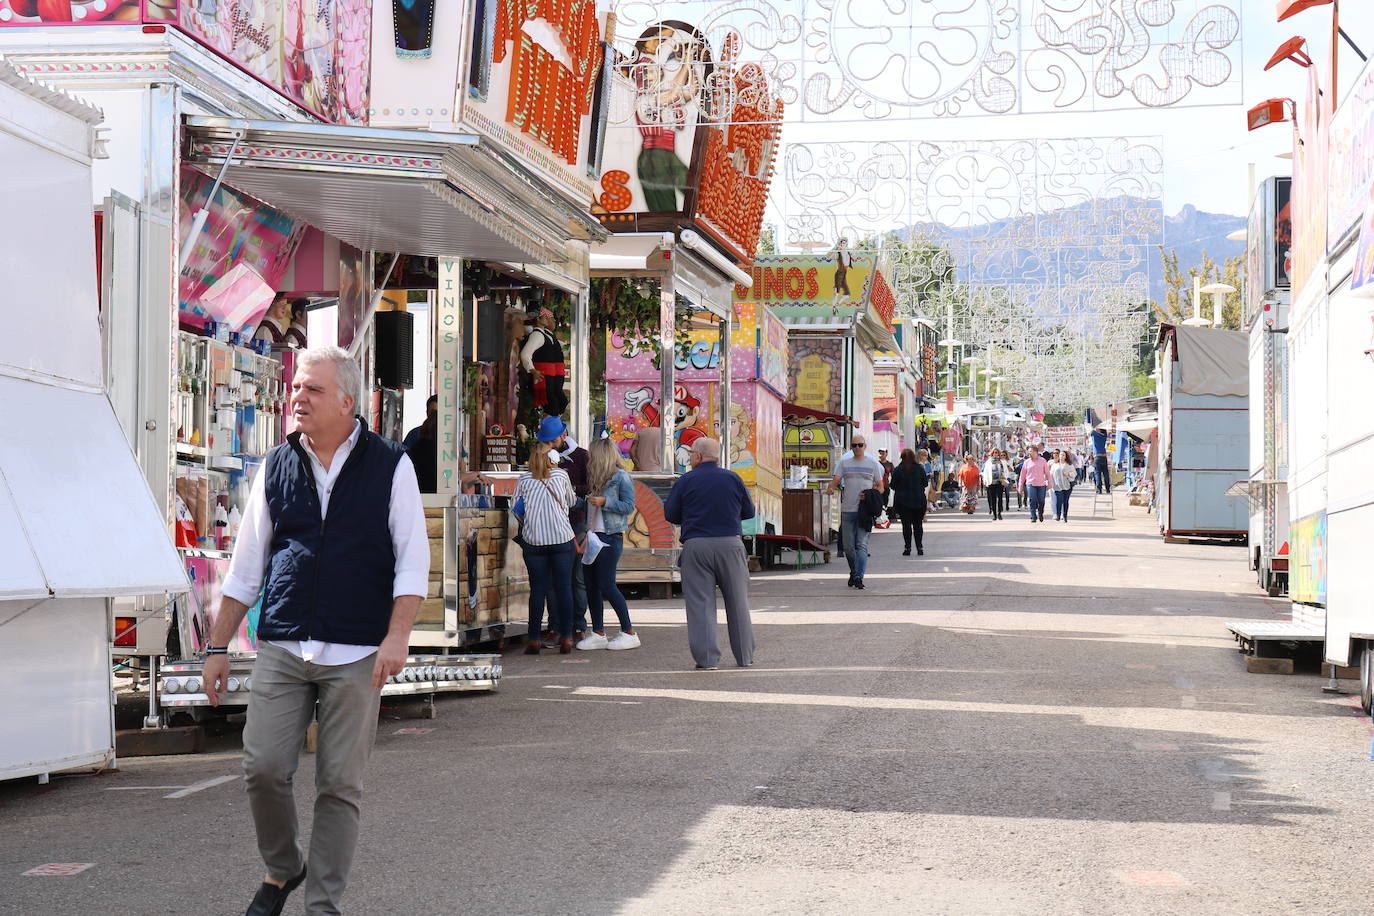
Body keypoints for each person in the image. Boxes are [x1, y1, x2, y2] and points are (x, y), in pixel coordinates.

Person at [203, 346, 428, 916]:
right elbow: (246, 567)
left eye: (313, 389)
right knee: (262, 767)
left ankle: (322, 906)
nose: (298, 398)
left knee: (339, 785)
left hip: (358, 649)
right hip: (284, 642)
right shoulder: (277, 464)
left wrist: (397, 635)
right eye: (297, 388)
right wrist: (216, 647)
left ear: (348, 401)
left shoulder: (391, 464)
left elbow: (412, 562)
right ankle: (283, 867)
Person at [664, 438, 755, 669]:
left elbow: (671, 515)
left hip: (697, 546)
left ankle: (707, 660)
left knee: (701, 604)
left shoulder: (686, 481)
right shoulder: (733, 478)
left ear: (697, 456)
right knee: (738, 602)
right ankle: (744, 657)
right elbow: (749, 511)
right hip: (731, 545)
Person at [515, 437, 580, 654]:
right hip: (561, 538)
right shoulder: (561, 475)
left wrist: (530, 523)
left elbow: (516, 509)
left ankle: (534, 638)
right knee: (564, 588)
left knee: (537, 590)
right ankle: (567, 637)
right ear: (551, 458)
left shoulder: (524, 480)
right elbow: (571, 501)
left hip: (534, 541)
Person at [577, 438, 641, 651]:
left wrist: (605, 502)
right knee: (591, 586)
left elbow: (628, 506)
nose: (589, 458)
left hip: (610, 537)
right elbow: (589, 507)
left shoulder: (621, 476)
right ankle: (598, 633)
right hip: (593, 537)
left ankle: (629, 632)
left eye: (592, 455)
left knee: (607, 585)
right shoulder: (596, 478)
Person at [535, 416, 590, 640]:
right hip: (550, 524)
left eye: (553, 441)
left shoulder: (581, 456)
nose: (550, 445)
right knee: (551, 581)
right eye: (546, 441)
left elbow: (591, 486)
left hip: (576, 522)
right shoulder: (540, 456)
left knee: (576, 578)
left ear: (564, 435)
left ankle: (578, 626)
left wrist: (568, 487)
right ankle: (555, 626)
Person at [826, 435, 886, 589]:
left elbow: (880, 487)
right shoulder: (844, 463)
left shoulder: (873, 463)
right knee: (848, 547)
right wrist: (831, 488)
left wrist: (870, 494)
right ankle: (854, 571)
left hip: (864, 511)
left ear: (865, 446)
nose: (857, 448)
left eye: (860, 445)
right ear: (851, 447)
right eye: (854, 445)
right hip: (847, 510)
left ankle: (859, 577)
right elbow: (836, 480)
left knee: (861, 545)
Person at [519, 307, 568, 417]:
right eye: (545, 317)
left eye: (547, 317)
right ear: (538, 319)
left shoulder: (545, 335)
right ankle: (548, 424)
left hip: (550, 378)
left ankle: (549, 423)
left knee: (558, 404)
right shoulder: (537, 335)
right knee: (552, 406)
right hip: (543, 378)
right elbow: (525, 354)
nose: (549, 319)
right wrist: (532, 370)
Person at [888, 448, 928, 556]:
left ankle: (908, 548)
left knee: (906, 525)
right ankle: (919, 547)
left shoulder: (898, 470)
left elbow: (892, 486)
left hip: (903, 502)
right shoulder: (920, 469)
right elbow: (925, 483)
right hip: (919, 501)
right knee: (918, 525)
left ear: (902, 458)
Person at [401, 394, 438, 493]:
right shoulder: (415, 434)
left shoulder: (450, 437)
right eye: (433, 412)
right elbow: (404, 462)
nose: (435, 417)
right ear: (427, 412)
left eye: (438, 413)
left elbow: (461, 463)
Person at [1018, 444, 1051, 523]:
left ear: (1036, 452)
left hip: (1041, 484)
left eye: (1031, 451)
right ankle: (1033, 516)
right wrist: (1020, 486)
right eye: (1028, 451)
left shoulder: (1043, 460)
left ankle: (1040, 512)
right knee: (1032, 499)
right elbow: (1022, 475)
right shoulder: (1026, 462)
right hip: (1030, 483)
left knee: (1041, 501)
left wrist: (1049, 482)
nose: (1029, 453)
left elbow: (1047, 473)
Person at [982, 448, 1010, 521]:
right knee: (993, 499)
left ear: (998, 453)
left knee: (1000, 498)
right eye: (994, 452)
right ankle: (994, 514)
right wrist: (985, 481)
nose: (995, 454)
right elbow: (985, 472)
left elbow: (1006, 471)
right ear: (992, 454)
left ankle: (999, 513)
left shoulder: (1002, 462)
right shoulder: (988, 462)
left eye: (996, 452)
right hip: (991, 482)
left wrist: (1004, 479)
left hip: (1000, 482)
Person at [1051, 449, 1077, 522]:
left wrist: (1068, 474)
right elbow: (1051, 475)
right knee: (1059, 500)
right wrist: (1050, 483)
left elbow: (1075, 473)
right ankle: (1058, 515)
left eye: (1063, 455)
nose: (1061, 456)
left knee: (1065, 501)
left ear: (1066, 457)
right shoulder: (1054, 465)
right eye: (1060, 455)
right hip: (1057, 486)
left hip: (1067, 486)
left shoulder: (1069, 465)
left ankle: (1065, 516)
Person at [1091, 427, 1111, 494]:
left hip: (1097, 456)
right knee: (1106, 473)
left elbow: (1090, 430)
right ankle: (1108, 489)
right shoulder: (1105, 435)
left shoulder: (1094, 434)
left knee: (1098, 473)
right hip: (1104, 456)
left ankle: (1099, 489)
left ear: (1099, 429)